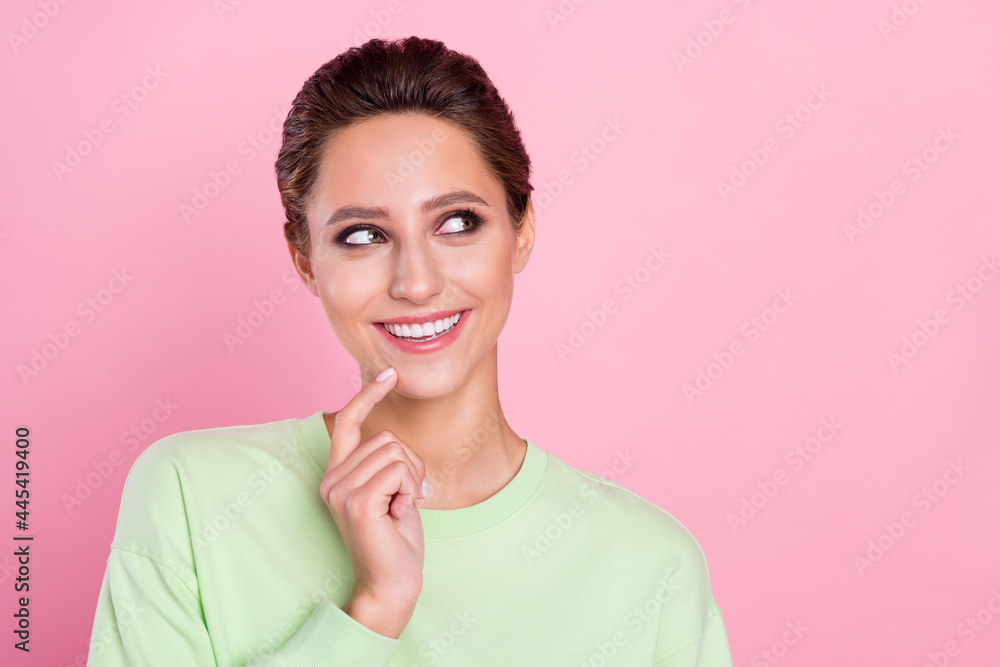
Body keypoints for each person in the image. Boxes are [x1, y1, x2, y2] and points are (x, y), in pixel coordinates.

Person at [88, 36, 733, 666]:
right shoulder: (190, 498)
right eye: (363, 235)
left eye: (457, 223)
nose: (416, 283)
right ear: (305, 261)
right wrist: (374, 610)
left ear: (522, 231)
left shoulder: (651, 568)